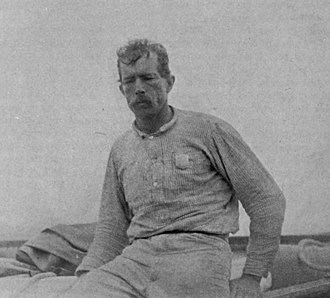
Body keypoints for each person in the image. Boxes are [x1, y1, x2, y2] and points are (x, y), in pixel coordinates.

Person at [63, 39, 285, 298]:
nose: (139, 89)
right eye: (129, 81)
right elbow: (112, 229)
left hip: (198, 256)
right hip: (137, 259)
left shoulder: (209, 131)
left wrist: (251, 277)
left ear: (169, 82)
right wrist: (88, 278)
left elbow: (267, 200)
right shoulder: (121, 149)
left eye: (148, 78)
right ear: (121, 89)